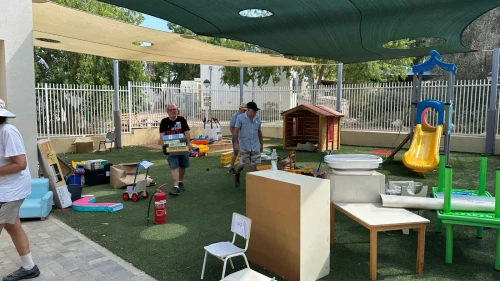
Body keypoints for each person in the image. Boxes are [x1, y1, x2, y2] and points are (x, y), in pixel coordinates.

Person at [0, 99, 40, 281]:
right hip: (5, 189)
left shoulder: (7, 132)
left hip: (10, 192)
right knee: (12, 225)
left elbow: (20, 163)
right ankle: (29, 267)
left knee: (9, 224)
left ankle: (30, 267)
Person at [159, 103, 191, 196]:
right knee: (174, 166)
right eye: (171, 110)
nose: (173, 111)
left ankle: (180, 182)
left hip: (183, 146)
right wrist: (163, 146)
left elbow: (187, 133)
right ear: (168, 112)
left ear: (178, 110)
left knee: (182, 165)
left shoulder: (182, 120)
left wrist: (189, 144)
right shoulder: (164, 122)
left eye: (174, 109)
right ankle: (176, 187)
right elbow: (162, 135)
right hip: (171, 148)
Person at [233, 101, 263, 187]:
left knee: (255, 166)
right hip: (244, 146)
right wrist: (236, 144)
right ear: (249, 110)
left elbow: (259, 131)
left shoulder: (257, 119)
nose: (255, 113)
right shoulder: (240, 118)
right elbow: (236, 131)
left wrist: (261, 144)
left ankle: (252, 185)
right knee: (242, 165)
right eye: (254, 111)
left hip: (255, 145)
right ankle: (237, 173)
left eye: (256, 111)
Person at [228, 102, 247, 174]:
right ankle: (231, 168)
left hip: (243, 138)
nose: (245, 112)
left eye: (246, 110)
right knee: (235, 153)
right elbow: (231, 127)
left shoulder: (245, 117)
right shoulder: (235, 116)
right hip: (237, 138)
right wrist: (236, 137)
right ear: (239, 109)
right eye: (244, 110)